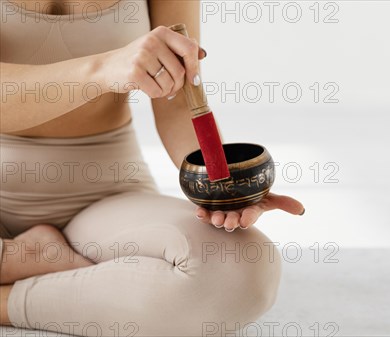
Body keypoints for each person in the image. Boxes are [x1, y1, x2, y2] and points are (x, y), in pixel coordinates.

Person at [0, 0, 304, 335]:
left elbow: (178, 103)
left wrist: (221, 186)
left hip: (103, 194)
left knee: (242, 270)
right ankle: (23, 262)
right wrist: (101, 69)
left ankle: (9, 295)